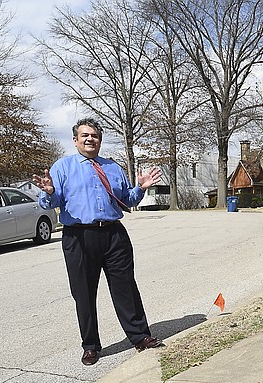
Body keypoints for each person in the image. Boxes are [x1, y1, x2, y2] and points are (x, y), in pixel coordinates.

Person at [33, 118, 165, 366]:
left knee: (125, 287)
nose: (90, 139)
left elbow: (127, 200)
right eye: (85, 135)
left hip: (114, 234)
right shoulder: (62, 168)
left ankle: (140, 337)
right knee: (83, 293)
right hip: (79, 237)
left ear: (100, 140)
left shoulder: (113, 167)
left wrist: (141, 188)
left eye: (94, 135)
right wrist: (50, 192)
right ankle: (91, 345)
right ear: (75, 140)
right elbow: (49, 202)